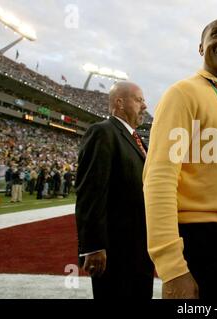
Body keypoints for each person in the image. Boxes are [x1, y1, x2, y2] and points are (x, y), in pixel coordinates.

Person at [143, 19, 217, 299]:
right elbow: (158, 179)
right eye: (216, 34)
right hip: (198, 244)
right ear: (201, 47)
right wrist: (172, 269)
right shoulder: (182, 93)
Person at [75, 81, 154, 299]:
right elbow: (91, 191)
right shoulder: (103, 132)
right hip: (116, 250)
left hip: (139, 246)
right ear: (119, 102)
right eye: (139, 100)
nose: (145, 106)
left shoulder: (136, 139)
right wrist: (93, 246)